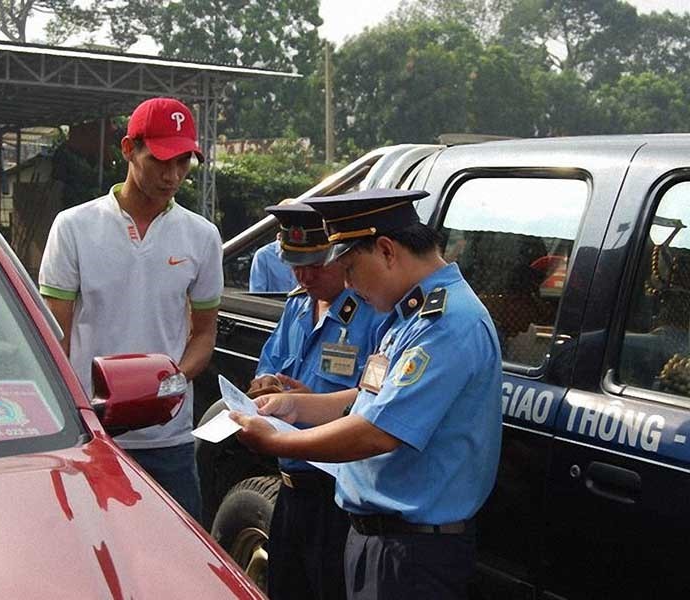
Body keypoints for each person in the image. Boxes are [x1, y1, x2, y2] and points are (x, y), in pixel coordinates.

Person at [231, 189, 503, 600]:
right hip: (380, 540)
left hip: (413, 552)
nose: (351, 288)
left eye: (352, 270)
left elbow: (377, 431)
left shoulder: (444, 324)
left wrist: (278, 441)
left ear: (387, 250)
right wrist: (294, 405)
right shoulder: (407, 316)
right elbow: (365, 399)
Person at [39, 97, 223, 521]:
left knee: (177, 565)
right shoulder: (74, 227)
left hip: (169, 440)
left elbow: (204, 334)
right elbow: (55, 337)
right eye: (160, 160)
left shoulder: (202, 237)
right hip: (93, 434)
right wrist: (76, 416)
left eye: (183, 162)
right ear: (128, 149)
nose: (172, 175)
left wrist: (171, 381)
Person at [247, 202, 385, 600]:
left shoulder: (373, 315)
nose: (303, 276)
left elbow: (376, 404)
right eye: (295, 265)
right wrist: (266, 384)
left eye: (314, 265)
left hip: (337, 494)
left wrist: (310, 403)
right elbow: (267, 368)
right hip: (290, 488)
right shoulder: (296, 306)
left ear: (341, 257)